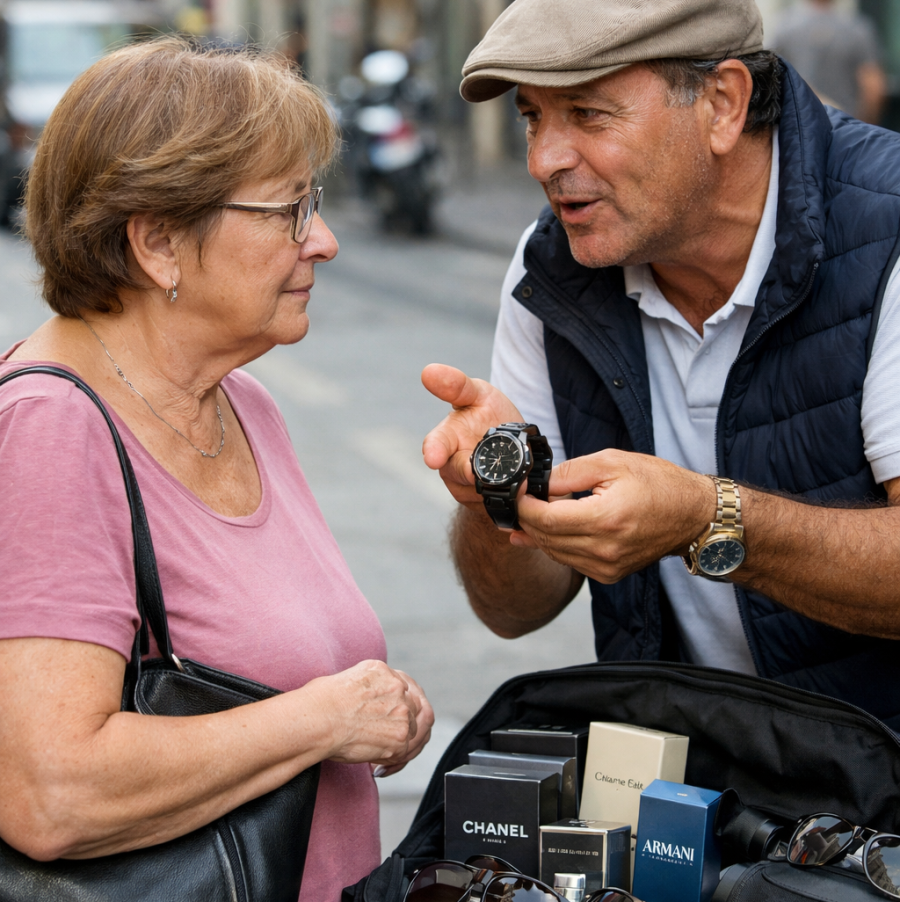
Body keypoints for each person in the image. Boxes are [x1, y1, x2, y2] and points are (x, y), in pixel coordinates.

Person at [0, 37, 433, 901]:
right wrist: (324, 718)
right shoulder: (49, 428)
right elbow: (49, 793)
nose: (327, 242)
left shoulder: (243, 403)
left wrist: (378, 713)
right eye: (290, 211)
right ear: (159, 242)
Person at [421, 0, 900, 729]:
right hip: (687, 780)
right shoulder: (552, 264)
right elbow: (514, 610)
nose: (543, 160)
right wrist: (495, 498)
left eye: (587, 114)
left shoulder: (886, 232)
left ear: (721, 104)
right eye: (532, 118)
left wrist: (705, 518)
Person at [772, 0, 885, 125]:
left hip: (799, 125)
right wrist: (862, 127)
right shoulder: (858, 27)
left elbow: (775, 77)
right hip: (845, 126)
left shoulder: (783, 26)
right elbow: (873, 87)